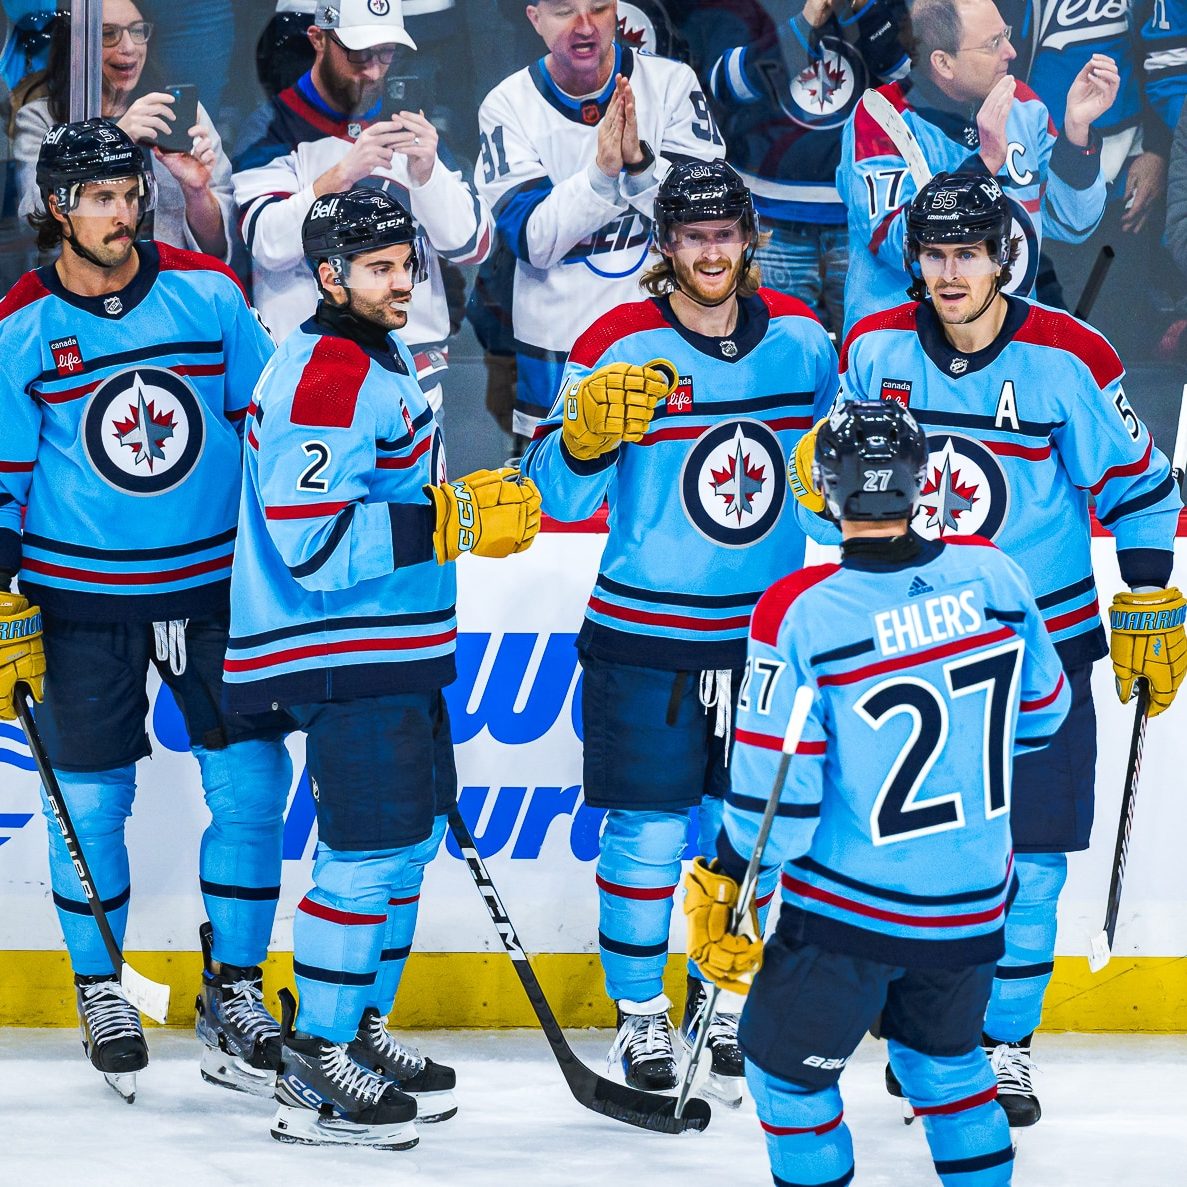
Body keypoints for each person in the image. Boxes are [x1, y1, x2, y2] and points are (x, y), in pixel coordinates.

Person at [789, 172, 1186, 1126]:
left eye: (968, 252)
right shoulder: (874, 347)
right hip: (907, 651)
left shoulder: (1070, 356)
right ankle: (932, 1034)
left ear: (1003, 255)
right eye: (935, 254)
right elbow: (829, 486)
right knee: (918, 863)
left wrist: (1145, 592)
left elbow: (1141, 487)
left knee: (1033, 864)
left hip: (1041, 649)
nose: (950, 272)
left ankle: (1002, 1044)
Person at [684, 397, 1072, 1187]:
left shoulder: (800, 609)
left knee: (786, 1078)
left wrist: (728, 871)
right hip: (971, 901)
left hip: (848, 914)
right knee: (945, 1068)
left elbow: (778, 803)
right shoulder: (992, 573)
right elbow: (1043, 714)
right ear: (918, 478)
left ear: (824, 487)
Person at [225, 184, 542, 1149]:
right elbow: (312, 541)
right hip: (340, 649)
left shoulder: (373, 349)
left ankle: (355, 1024)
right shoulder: (326, 373)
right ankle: (316, 1064)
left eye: (407, 263)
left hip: (392, 645)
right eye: (378, 268)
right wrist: (454, 518)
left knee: (403, 846)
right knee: (363, 856)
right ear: (329, 275)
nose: (402, 281)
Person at [522, 159, 838, 1102]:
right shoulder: (614, 340)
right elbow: (551, 495)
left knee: (749, 838)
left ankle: (722, 1003)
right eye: (693, 236)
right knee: (649, 835)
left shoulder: (802, 342)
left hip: (764, 643)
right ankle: (641, 1015)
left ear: (749, 239)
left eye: (724, 234)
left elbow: (828, 502)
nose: (710, 251)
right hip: (645, 633)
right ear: (665, 244)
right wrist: (581, 438)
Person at [0, 119, 292, 1103]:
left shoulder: (208, 296)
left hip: (215, 592)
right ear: (57, 208)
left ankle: (235, 987)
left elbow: (276, 427)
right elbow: (2, 479)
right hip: (81, 601)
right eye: (100, 198)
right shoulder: (20, 326)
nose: (121, 214)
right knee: (89, 803)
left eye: (131, 194)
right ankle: (103, 989)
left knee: (252, 787)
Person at [475, 0, 726, 445]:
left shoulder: (670, 84)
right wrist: (601, 175)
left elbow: (708, 219)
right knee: (559, 487)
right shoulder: (507, 105)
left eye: (598, 8)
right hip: (558, 356)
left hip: (664, 342)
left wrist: (641, 166)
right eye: (564, 11)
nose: (585, 26)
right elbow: (533, 240)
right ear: (535, 19)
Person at [232, 0, 491, 414]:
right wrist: (342, 174)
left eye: (385, 53)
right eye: (359, 54)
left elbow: (473, 245)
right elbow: (268, 245)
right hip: (307, 379)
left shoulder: (410, 124)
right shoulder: (272, 129)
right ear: (318, 39)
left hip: (412, 380)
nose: (373, 70)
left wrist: (428, 175)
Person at [838, 0, 1117, 332]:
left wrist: (1076, 137)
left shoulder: (1022, 104)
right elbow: (896, 244)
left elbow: (1074, 223)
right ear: (943, 62)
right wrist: (982, 167)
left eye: (1006, 34)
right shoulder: (880, 116)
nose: (1011, 52)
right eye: (993, 43)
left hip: (1003, 341)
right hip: (904, 342)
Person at [687, 0, 911, 336]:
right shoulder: (754, 7)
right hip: (773, 220)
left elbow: (913, 83)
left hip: (862, 220)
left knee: (873, 343)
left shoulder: (883, 6)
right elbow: (725, 86)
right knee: (778, 345)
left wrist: (869, 13)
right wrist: (805, 25)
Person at [13, 0, 236, 261]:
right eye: (109, 34)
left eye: (137, 31)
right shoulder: (39, 119)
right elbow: (35, 221)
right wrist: (115, 139)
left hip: (168, 281)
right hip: (83, 283)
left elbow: (217, 249)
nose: (129, 47)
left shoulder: (177, 113)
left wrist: (196, 192)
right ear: (77, 46)